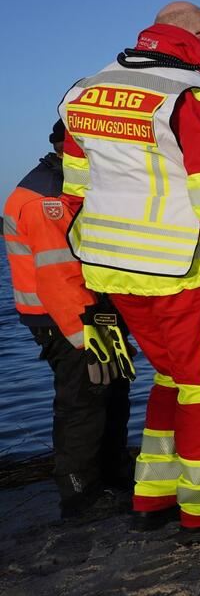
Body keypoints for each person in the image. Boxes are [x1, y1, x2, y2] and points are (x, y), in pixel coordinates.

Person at [58, 1, 200, 543]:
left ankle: (152, 497)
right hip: (187, 273)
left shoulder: (85, 92)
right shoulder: (194, 97)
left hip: (114, 272)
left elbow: (75, 187)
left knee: (173, 380)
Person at [3, 120, 133, 521]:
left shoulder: (68, 187)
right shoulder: (46, 198)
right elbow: (57, 275)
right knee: (83, 401)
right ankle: (80, 494)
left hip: (93, 310)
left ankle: (114, 475)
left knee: (113, 393)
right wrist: (85, 337)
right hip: (67, 318)